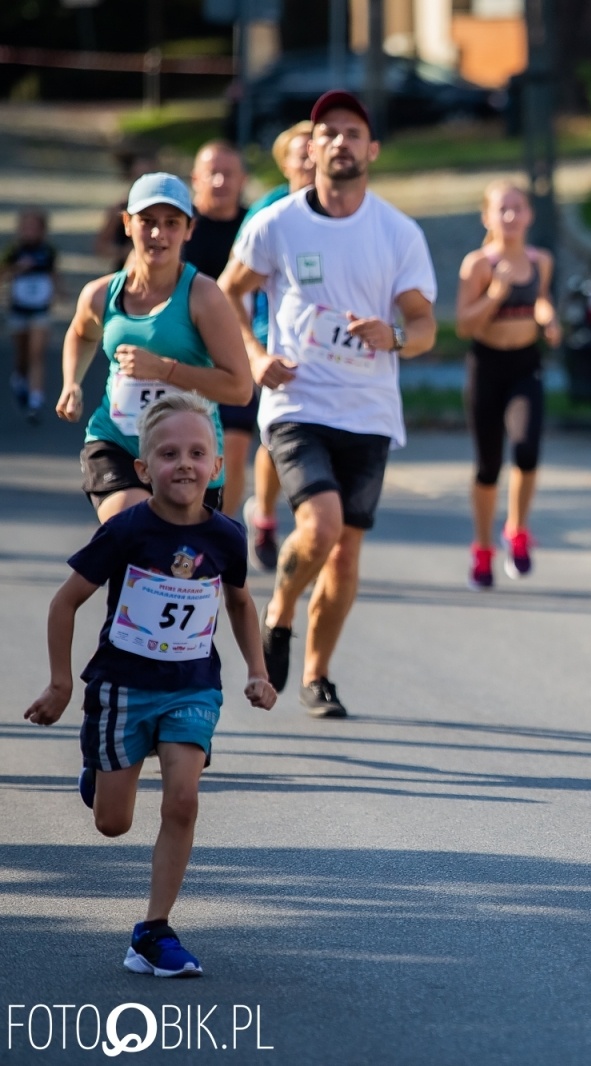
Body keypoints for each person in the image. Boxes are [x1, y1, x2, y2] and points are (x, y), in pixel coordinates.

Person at [23, 392, 277, 978]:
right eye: (168, 453)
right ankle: (100, 768)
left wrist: (258, 672)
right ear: (142, 468)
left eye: (197, 453)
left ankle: (154, 932)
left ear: (217, 466)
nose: (184, 463)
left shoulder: (227, 536)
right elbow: (65, 602)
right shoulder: (128, 529)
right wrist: (61, 684)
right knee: (112, 822)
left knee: (183, 801)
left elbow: (240, 603)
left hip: (192, 686)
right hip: (122, 687)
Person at [221, 90, 437, 719]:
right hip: (298, 403)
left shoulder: (398, 232)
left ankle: (317, 676)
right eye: (328, 132)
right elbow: (229, 293)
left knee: (345, 554)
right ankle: (281, 611)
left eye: (353, 132)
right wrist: (255, 356)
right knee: (321, 526)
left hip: (369, 411)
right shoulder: (277, 223)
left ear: (373, 150)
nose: (341, 141)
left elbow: (424, 325)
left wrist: (395, 336)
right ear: (310, 148)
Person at [58, 173, 254, 523]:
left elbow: (239, 389)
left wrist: (164, 370)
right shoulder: (101, 294)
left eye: (171, 223)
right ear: (127, 224)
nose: (157, 234)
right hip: (117, 440)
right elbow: (81, 333)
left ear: (189, 229)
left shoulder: (204, 297)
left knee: (173, 554)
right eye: (147, 221)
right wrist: (72, 382)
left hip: (188, 454)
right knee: (132, 524)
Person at [454, 180, 560, 589]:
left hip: (525, 365)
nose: (511, 216)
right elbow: (464, 325)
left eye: (518, 208)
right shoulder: (478, 265)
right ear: (488, 217)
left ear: (530, 214)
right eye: (502, 209)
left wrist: (548, 318)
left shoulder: (541, 261)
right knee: (488, 466)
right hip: (487, 367)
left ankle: (517, 529)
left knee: (527, 450)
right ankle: (482, 548)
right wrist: (495, 294)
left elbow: (540, 298)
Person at [237, 121, 314, 572]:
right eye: (300, 154)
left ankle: (314, 529)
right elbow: (237, 286)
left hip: (322, 345)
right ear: (284, 163)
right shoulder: (267, 212)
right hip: (273, 339)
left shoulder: (338, 212)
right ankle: (265, 515)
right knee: (278, 434)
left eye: (314, 151)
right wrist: (251, 349)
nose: (309, 160)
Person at [182, 140, 254, 518]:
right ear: (196, 178)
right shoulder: (179, 226)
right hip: (183, 353)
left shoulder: (255, 227)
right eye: (212, 173)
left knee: (234, 448)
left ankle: (223, 525)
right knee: (184, 448)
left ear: (243, 179)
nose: (221, 181)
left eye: (229, 173)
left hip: (237, 353)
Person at [3, 207, 57, 422]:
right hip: (19, 309)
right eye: (26, 227)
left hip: (41, 308)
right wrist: (17, 268)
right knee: (22, 353)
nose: (30, 232)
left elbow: (53, 275)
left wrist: (59, 292)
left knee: (37, 353)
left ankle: (36, 400)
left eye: (34, 227)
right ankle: (19, 377)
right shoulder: (13, 251)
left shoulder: (48, 251)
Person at [94, 148, 159, 272]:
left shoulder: (165, 209)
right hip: (127, 271)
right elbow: (101, 246)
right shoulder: (121, 208)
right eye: (140, 178)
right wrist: (126, 252)